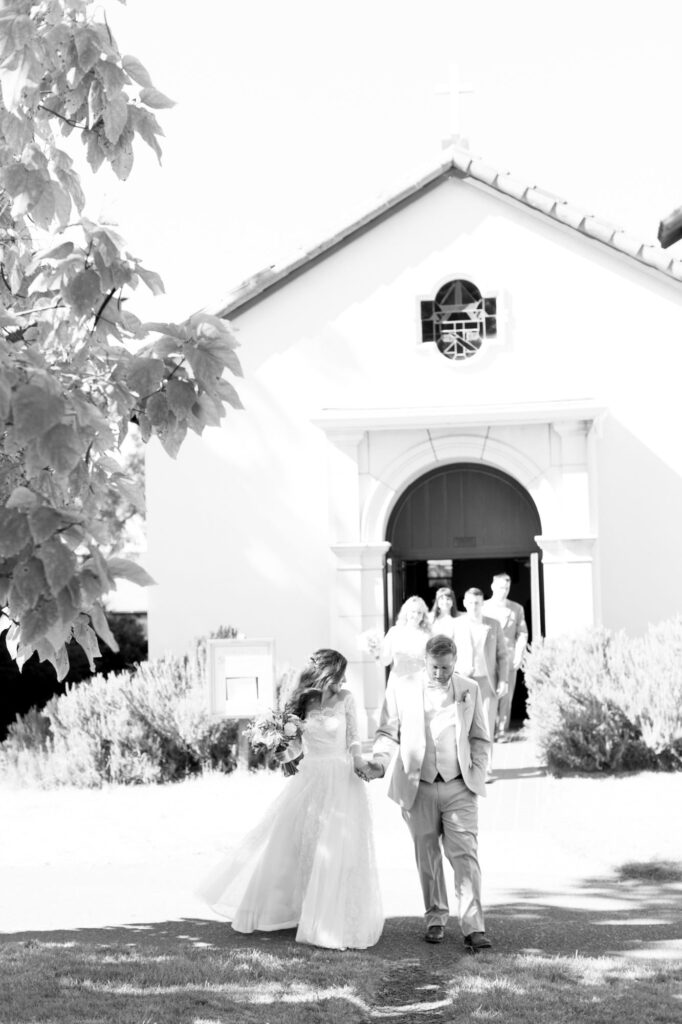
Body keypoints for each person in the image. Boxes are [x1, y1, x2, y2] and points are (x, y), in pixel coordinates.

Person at [199, 649, 384, 950]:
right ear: (326, 675)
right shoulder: (303, 702)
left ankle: (331, 918)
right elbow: (295, 747)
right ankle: (303, 910)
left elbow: (353, 738)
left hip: (341, 779)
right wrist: (278, 746)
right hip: (310, 777)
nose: (345, 679)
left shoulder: (347, 699)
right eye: (340, 674)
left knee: (338, 848)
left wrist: (360, 762)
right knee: (305, 844)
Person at [357, 634, 492, 950]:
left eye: (446, 668)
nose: (440, 674)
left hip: (460, 785)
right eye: (434, 667)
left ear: (454, 662)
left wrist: (477, 769)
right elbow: (387, 734)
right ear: (425, 661)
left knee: (465, 857)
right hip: (418, 787)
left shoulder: (469, 690)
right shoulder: (402, 687)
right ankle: (435, 918)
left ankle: (474, 927)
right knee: (427, 856)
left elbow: (480, 739)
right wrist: (379, 763)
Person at [452, 588, 508, 768]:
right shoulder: (457, 624)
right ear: (464, 604)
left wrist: (503, 680)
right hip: (464, 681)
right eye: (470, 602)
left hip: (487, 682)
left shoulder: (494, 624)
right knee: (465, 726)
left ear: (482, 603)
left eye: (477, 603)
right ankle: (467, 765)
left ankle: (485, 766)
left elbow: (503, 656)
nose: (474, 606)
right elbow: (447, 653)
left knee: (486, 726)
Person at [483, 573, 529, 738]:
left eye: (507, 588)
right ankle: (488, 731)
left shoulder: (516, 608)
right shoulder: (483, 607)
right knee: (488, 694)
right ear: (493, 586)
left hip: (508, 658)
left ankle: (502, 730)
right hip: (487, 658)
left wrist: (519, 654)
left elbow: (522, 633)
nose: (504, 591)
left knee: (506, 695)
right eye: (501, 587)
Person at [381, 595, 432, 680]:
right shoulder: (394, 632)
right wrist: (377, 652)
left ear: (423, 615)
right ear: (406, 612)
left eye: (419, 612)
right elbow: (386, 661)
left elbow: (433, 661)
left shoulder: (428, 635)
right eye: (413, 611)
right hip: (399, 680)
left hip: (420, 680)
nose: (416, 615)